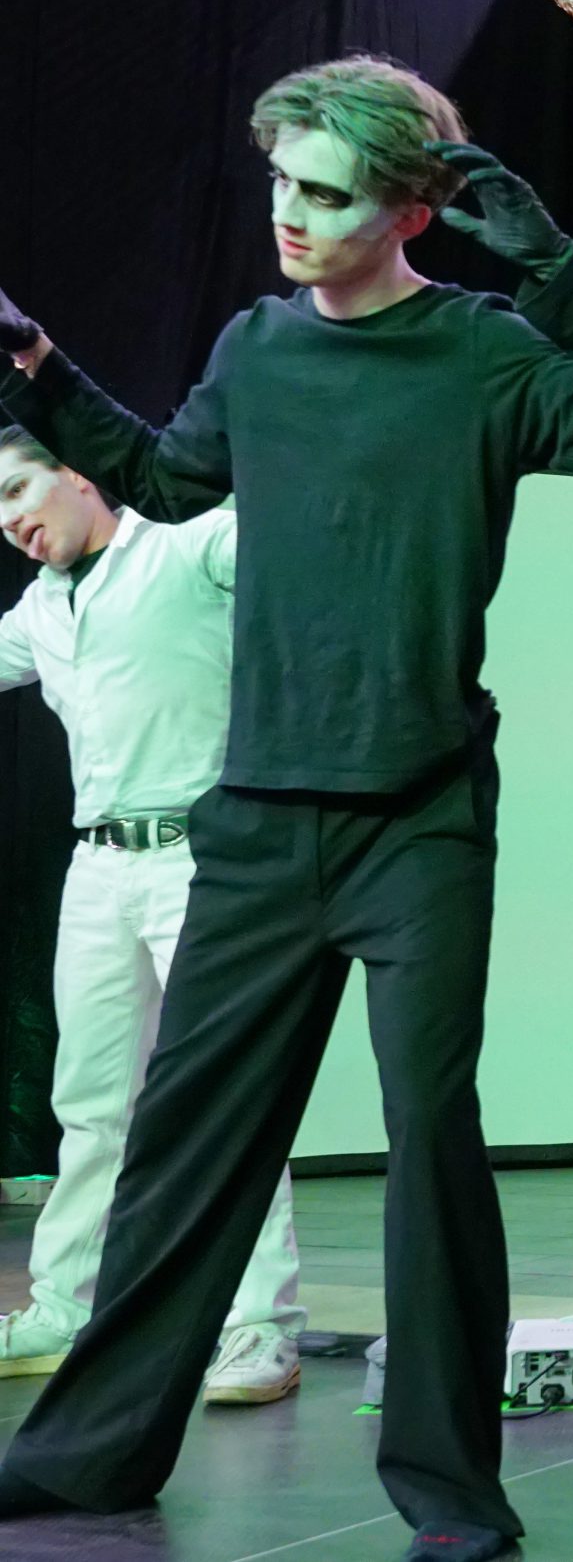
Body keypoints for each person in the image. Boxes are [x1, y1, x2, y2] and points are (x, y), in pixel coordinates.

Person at [0, 55, 573, 1562]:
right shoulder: (257, 348)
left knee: (430, 1138)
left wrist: (554, 266)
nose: (291, 215)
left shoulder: (486, 353)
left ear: (409, 211)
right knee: (184, 1150)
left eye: (324, 193)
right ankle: (92, 1452)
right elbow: (168, 481)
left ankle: (450, 1489)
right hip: (257, 819)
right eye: (281, 184)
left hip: (418, 819)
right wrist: (40, 363)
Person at [0, 429, 304, 1402]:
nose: (11, 520)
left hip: (199, 858)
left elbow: (299, 550)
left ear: (77, 474)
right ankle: (66, 1305)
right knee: (89, 1102)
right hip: (98, 867)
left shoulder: (187, 544)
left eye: (19, 489)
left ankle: (257, 1325)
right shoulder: (42, 607)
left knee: (227, 1093)